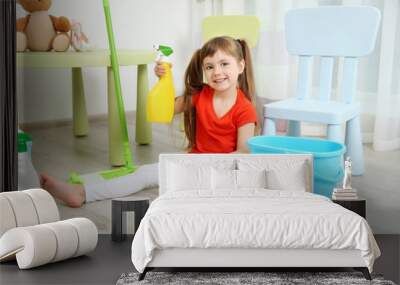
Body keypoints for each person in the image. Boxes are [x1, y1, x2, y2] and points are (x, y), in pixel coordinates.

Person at [40, 36, 258, 207]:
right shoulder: (200, 96)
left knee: (158, 185)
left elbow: (244, 152)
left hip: (219, 173)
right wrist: (164, 79)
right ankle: (81, 192)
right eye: (210, 67)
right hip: (192, 163)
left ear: (241, 66)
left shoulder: (245, 109)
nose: (217, 72)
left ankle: (83, 193)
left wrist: (212, 170)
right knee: (144, 174)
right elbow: (165, 111)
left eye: (224, 64)